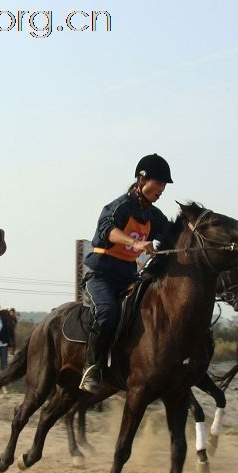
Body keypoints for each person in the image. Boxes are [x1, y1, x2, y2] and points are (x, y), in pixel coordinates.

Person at [79, 154, 172, 392]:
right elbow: (108, 231)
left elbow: (172, 236)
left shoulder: (153, 215)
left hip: (129, 277)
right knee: (108, 313)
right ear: (142, 179)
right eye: (159, 183)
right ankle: (91, 368)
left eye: (164, 185)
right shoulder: (119, 206)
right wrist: (138, 243)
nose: (161, 189)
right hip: (101, 276)